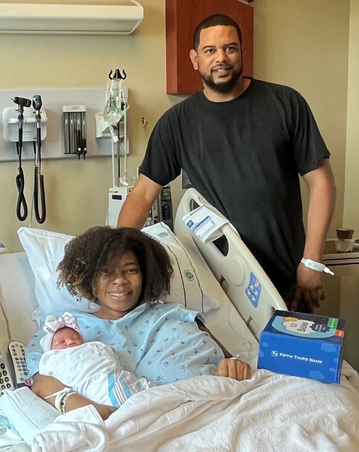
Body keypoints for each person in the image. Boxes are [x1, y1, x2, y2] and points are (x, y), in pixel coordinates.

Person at [117, 14, 336, 314]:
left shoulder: (285, 104)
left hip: (285, 281)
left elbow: (321, 181)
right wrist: (115, 257)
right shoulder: (177, 123)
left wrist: (311, 261)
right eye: (210, 51)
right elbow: (142, 194)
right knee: (224, 363)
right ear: (195, 59)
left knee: (288, 359)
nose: (221, 58)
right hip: (216, 287)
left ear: (242, 52)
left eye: (230, 48)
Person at [27, 226, 251, 420]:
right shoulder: (61, 331)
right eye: (106, 272)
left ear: (145, 274)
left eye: (131, 270)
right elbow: (40, 385)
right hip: (140, 425)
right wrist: (98, 414)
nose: (120, 281)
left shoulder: (174, 313)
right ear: (90, 278)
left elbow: (230, 359)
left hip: (217, 405)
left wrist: (233, 366)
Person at [39, 312, 150, 409]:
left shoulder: (94, 346)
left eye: (75, 338)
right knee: (114, 397)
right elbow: (44, 377)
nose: (70, 342)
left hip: (113, 373)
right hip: (93, 385)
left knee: (141, 390)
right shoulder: (52, 359)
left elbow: (112, 357)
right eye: (61, 342)